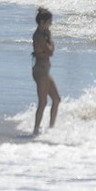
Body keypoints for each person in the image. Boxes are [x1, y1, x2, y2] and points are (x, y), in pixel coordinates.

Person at [31, 8, 59, 136]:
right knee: (43, 102)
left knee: (56, 99)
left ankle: (51, 128)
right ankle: (36, 130)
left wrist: (50, 40)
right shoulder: (39, 36)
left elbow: (49, 51)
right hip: (41, 70)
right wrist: (51, 42)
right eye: (49, 22)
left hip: (44, 70)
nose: (50, 24)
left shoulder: (44, 34)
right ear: (42, 22)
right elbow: (51, 51)